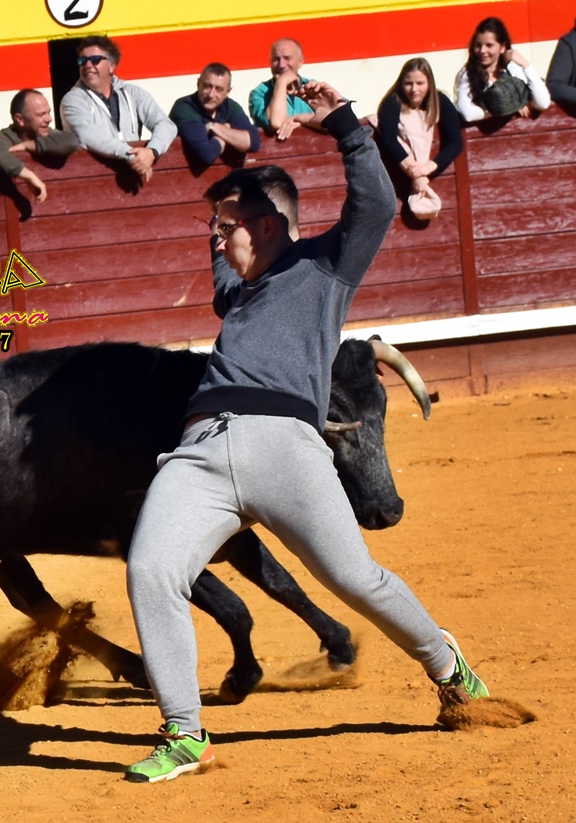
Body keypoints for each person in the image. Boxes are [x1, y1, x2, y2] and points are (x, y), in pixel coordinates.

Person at [122, 82, 490, 784]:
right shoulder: (237, 291)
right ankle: (184, 732)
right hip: (199, 451)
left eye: (226, 227)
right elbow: (224, 249)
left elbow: (375, 204)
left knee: (355, 578)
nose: (216, 238)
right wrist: (219, 191)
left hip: (286, 447)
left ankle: (447, 665)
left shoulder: (323, 267)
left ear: (265, 226)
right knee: (150, 570)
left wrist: (346, 126)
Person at [59, 35, 177, 184]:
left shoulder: (134, 93)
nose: (88, 65)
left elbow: (166, 125)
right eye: (82, 61)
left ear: (112, 65)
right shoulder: (72, 100)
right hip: (95, 182)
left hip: (136, 181)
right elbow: (89, 136)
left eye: (95, 60)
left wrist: (152, 151)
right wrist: (133, 156)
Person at [376, 57, 463, 218]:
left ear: (429, 83)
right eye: (408, 83)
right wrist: (417, 173)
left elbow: (455, 143)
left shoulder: (440, 100)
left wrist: (428, 168)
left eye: (420, 83)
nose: (414, 89)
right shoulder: (393, 101)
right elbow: (388, 139)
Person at [0, 89, 79, 203]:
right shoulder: (7, 137)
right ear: (20, 119)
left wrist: (29, 145)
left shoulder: (48, 134)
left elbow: (71, 141)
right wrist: (29, 176)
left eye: (48, 112)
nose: (49, 119)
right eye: (41, 114)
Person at [454, 17, 551, 121]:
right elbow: (468, 114)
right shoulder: (467, 74)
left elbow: (543, 102)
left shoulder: (512, 68)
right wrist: (510, 108)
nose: (482, 50)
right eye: (478, 45)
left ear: (502, 47)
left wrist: (526, 65)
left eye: (489, 45)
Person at [169, 63, 261, 168]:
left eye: (219, 89)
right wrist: (224, 136)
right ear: (198, 84)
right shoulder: (184, 108)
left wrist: (214, 127)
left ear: (227, 92)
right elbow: (206, 154)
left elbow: (253, 143)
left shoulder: (230, 106)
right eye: (207, 86)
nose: (211, 94)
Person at [248, 38, 316, 141]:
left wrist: (300, 120)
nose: (281, 65)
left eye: (287, 58)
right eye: (276, 59)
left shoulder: (313, 87)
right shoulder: (259, 94)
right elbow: (277, 122)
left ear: (301, 61)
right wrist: (282, 82)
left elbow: (334, 118)